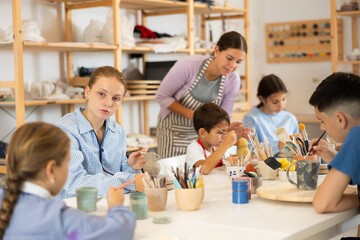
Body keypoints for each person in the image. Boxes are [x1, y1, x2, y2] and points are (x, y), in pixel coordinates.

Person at [0, 122, 136, 239]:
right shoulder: (59, 219)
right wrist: (116, 205)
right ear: (51, 169)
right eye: (67, 163)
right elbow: (121, 230)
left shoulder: (7, 200)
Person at [156, 31, 253, 159]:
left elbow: (223, 114)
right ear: (217, 51)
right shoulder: (189, 66)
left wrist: (227, 127)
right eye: (229, 58)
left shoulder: (233, 80)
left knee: (202, 174)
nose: (232, 66)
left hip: (205, 137)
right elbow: (162, 96)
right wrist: (195, 116)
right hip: (174, 133)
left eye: (239, 62)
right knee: (174, 174)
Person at [56, 66, 147, 199]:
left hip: (108, 204)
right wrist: (131, 182)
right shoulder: (66, 130)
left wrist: (130, 166)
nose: (108, 103)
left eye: (116, 98)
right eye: (102, 94)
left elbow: (114, 173)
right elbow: (75, 183)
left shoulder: (118, 131)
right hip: (73, 208)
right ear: (87, 92)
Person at [309, 72, 360, 214]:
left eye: (322, 121)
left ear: (340, 119)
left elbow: (323, 204)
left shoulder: (357, 135)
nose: (322, 128)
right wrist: (336, 158)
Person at [242, 74, 299, 156]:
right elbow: (249, 150)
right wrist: (278, 145)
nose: (281, 105)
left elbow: (295, 150)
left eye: (283, 99)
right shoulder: (251, 118)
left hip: (289, 165)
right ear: (262, 99)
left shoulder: (290, 118)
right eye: (275, 102)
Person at [186, 103, 237, 174]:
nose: (224, 136)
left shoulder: (214, 147)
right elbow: (204, 169)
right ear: (203, 133)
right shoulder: (194, 148)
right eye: (220, 132)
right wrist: (225, 145)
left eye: (225, 132)